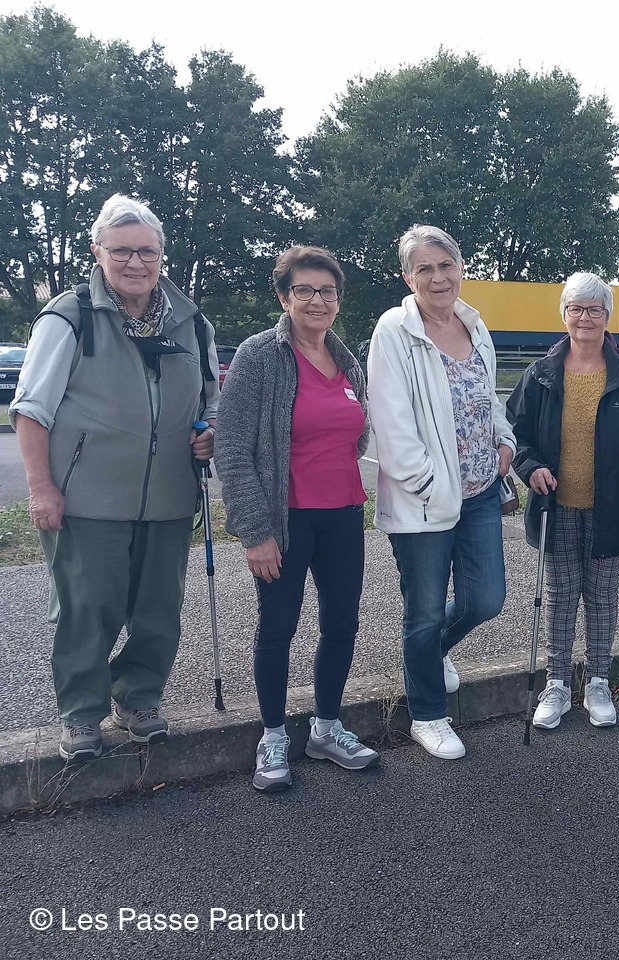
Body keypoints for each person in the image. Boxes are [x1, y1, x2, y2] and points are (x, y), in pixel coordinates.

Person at [12, 193, 219, 761]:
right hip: (86, 497)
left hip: (170, 495)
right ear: (97, 251)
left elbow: (210, 401)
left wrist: (208, 431)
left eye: (147, 251)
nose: (135, 262)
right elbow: (30, 410)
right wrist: (41, 487)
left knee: (159, 610)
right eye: (121, 250)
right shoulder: (69, 316)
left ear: (161, 255)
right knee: (87, 608)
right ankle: (82, 712)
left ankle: (140, 697)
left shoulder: (190, 321)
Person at [216, 246, 378, 792]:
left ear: (338, 300)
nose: (317, 300)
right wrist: (254, 531)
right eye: (304, 290)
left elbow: (356, 432)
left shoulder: (345, 356)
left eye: (327, 291)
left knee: (342, 624)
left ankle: (326, 729)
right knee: (277, 628)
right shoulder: (260, 355)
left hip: (344, 513)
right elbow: (232, 448)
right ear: (284, 297)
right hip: (284, 521)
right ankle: (273, 737)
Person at [367, 225, 516, 761]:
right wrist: (429, 483)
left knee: (486, 599)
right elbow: (390, 421)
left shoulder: (474, 325)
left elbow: (488, 398)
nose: (437, 277)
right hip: (424, 501)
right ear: (408, 278)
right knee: (424, 611)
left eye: (445, 264)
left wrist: (505, 441)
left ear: (460, 267)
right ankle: (427, 716)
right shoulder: (395, 330)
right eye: (424, 268)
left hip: (481, 492)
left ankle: (428, 654)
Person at [507, 272, 619, 731]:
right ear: (564, 314)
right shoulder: (540, 374)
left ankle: (598, 682)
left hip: (611, 511)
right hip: (555, 507)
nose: (585, 318)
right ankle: (557, 684)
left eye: (595, 310)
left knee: (600, 597)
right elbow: (515, 434)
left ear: (607, 317)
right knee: (559, 597)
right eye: (576, 309)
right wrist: (530, 467)